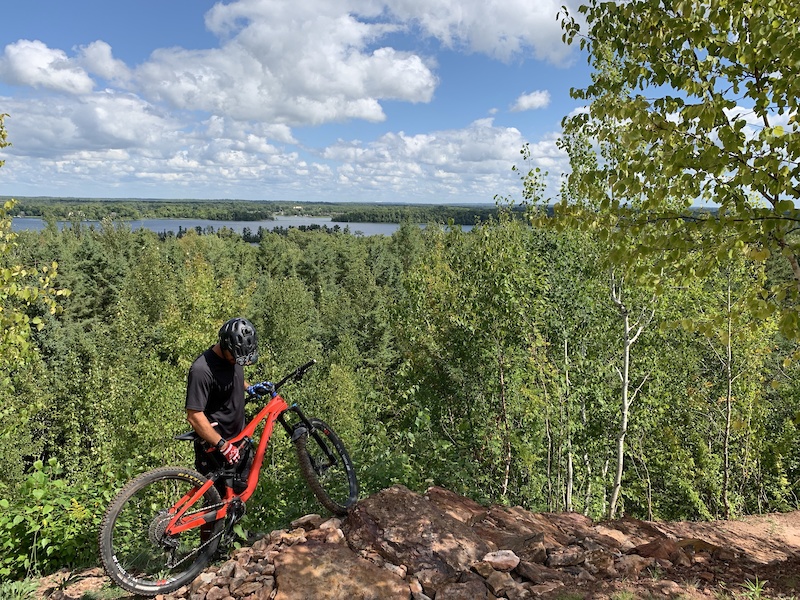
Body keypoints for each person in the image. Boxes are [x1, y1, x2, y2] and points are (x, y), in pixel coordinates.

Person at [185, 317, 259, 481]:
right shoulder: (202, 370)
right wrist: (223, 446)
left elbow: (230, 377)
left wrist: (249, 387)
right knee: (216, 504)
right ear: (225, 346)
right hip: (216, 451)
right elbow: (194, 415)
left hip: (239, 441)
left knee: (239, 498)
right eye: (234, 358)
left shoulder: (235, 355)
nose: (237, 362)